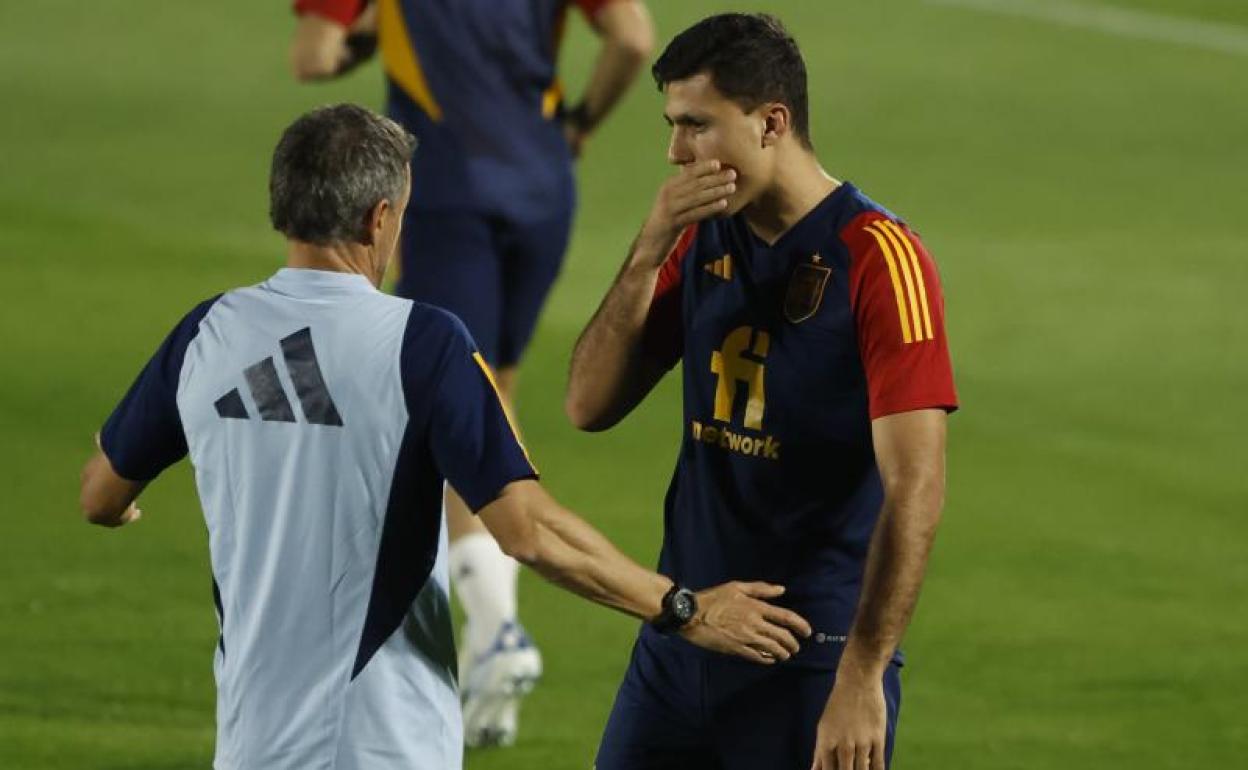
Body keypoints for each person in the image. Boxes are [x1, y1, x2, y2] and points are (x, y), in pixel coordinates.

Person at [78, 104, 811, 770]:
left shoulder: (205, 335)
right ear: (379, 218)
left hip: (251, 743)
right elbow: (526, 532)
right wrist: (684, 608)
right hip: (382, 743)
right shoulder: (419, 344)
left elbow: (101, 492)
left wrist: (124, 509)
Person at [566, 13, 959, 770]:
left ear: (772, 122)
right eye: (672, 125)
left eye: (696, 126)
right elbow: (587, 406)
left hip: (810, 664)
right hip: (682, 640)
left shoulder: (880, 261)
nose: (676, 152)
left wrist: (862, 675)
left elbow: (917, 486)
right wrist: (648, 251)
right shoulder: (703, 234)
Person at [287, 0, 655, 745]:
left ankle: (495, 630)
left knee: (450, 403)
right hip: (544, 180)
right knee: (496, 387)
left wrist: (368, 36)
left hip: (448, 183)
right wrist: (579, 121)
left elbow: (314, 58)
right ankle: (490, 663)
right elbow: (633, 38)